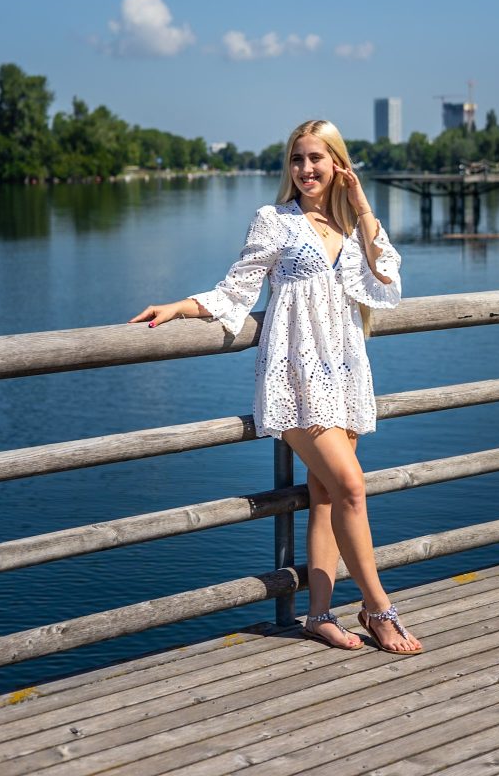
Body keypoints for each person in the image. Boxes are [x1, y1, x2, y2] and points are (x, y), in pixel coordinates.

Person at [129, 119, 422, 655]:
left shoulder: (353, 226)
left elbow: (388, 281)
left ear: (337, 163)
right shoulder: (274, 221)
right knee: (353, 488)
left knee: (327, 497)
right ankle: (379, 608)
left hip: (346, 372)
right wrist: (178, 306)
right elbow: (236, 289)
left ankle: (316, 615)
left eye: (316, 158)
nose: (306, 169)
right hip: (296, 376)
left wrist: (361, 207)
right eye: (297, 159)